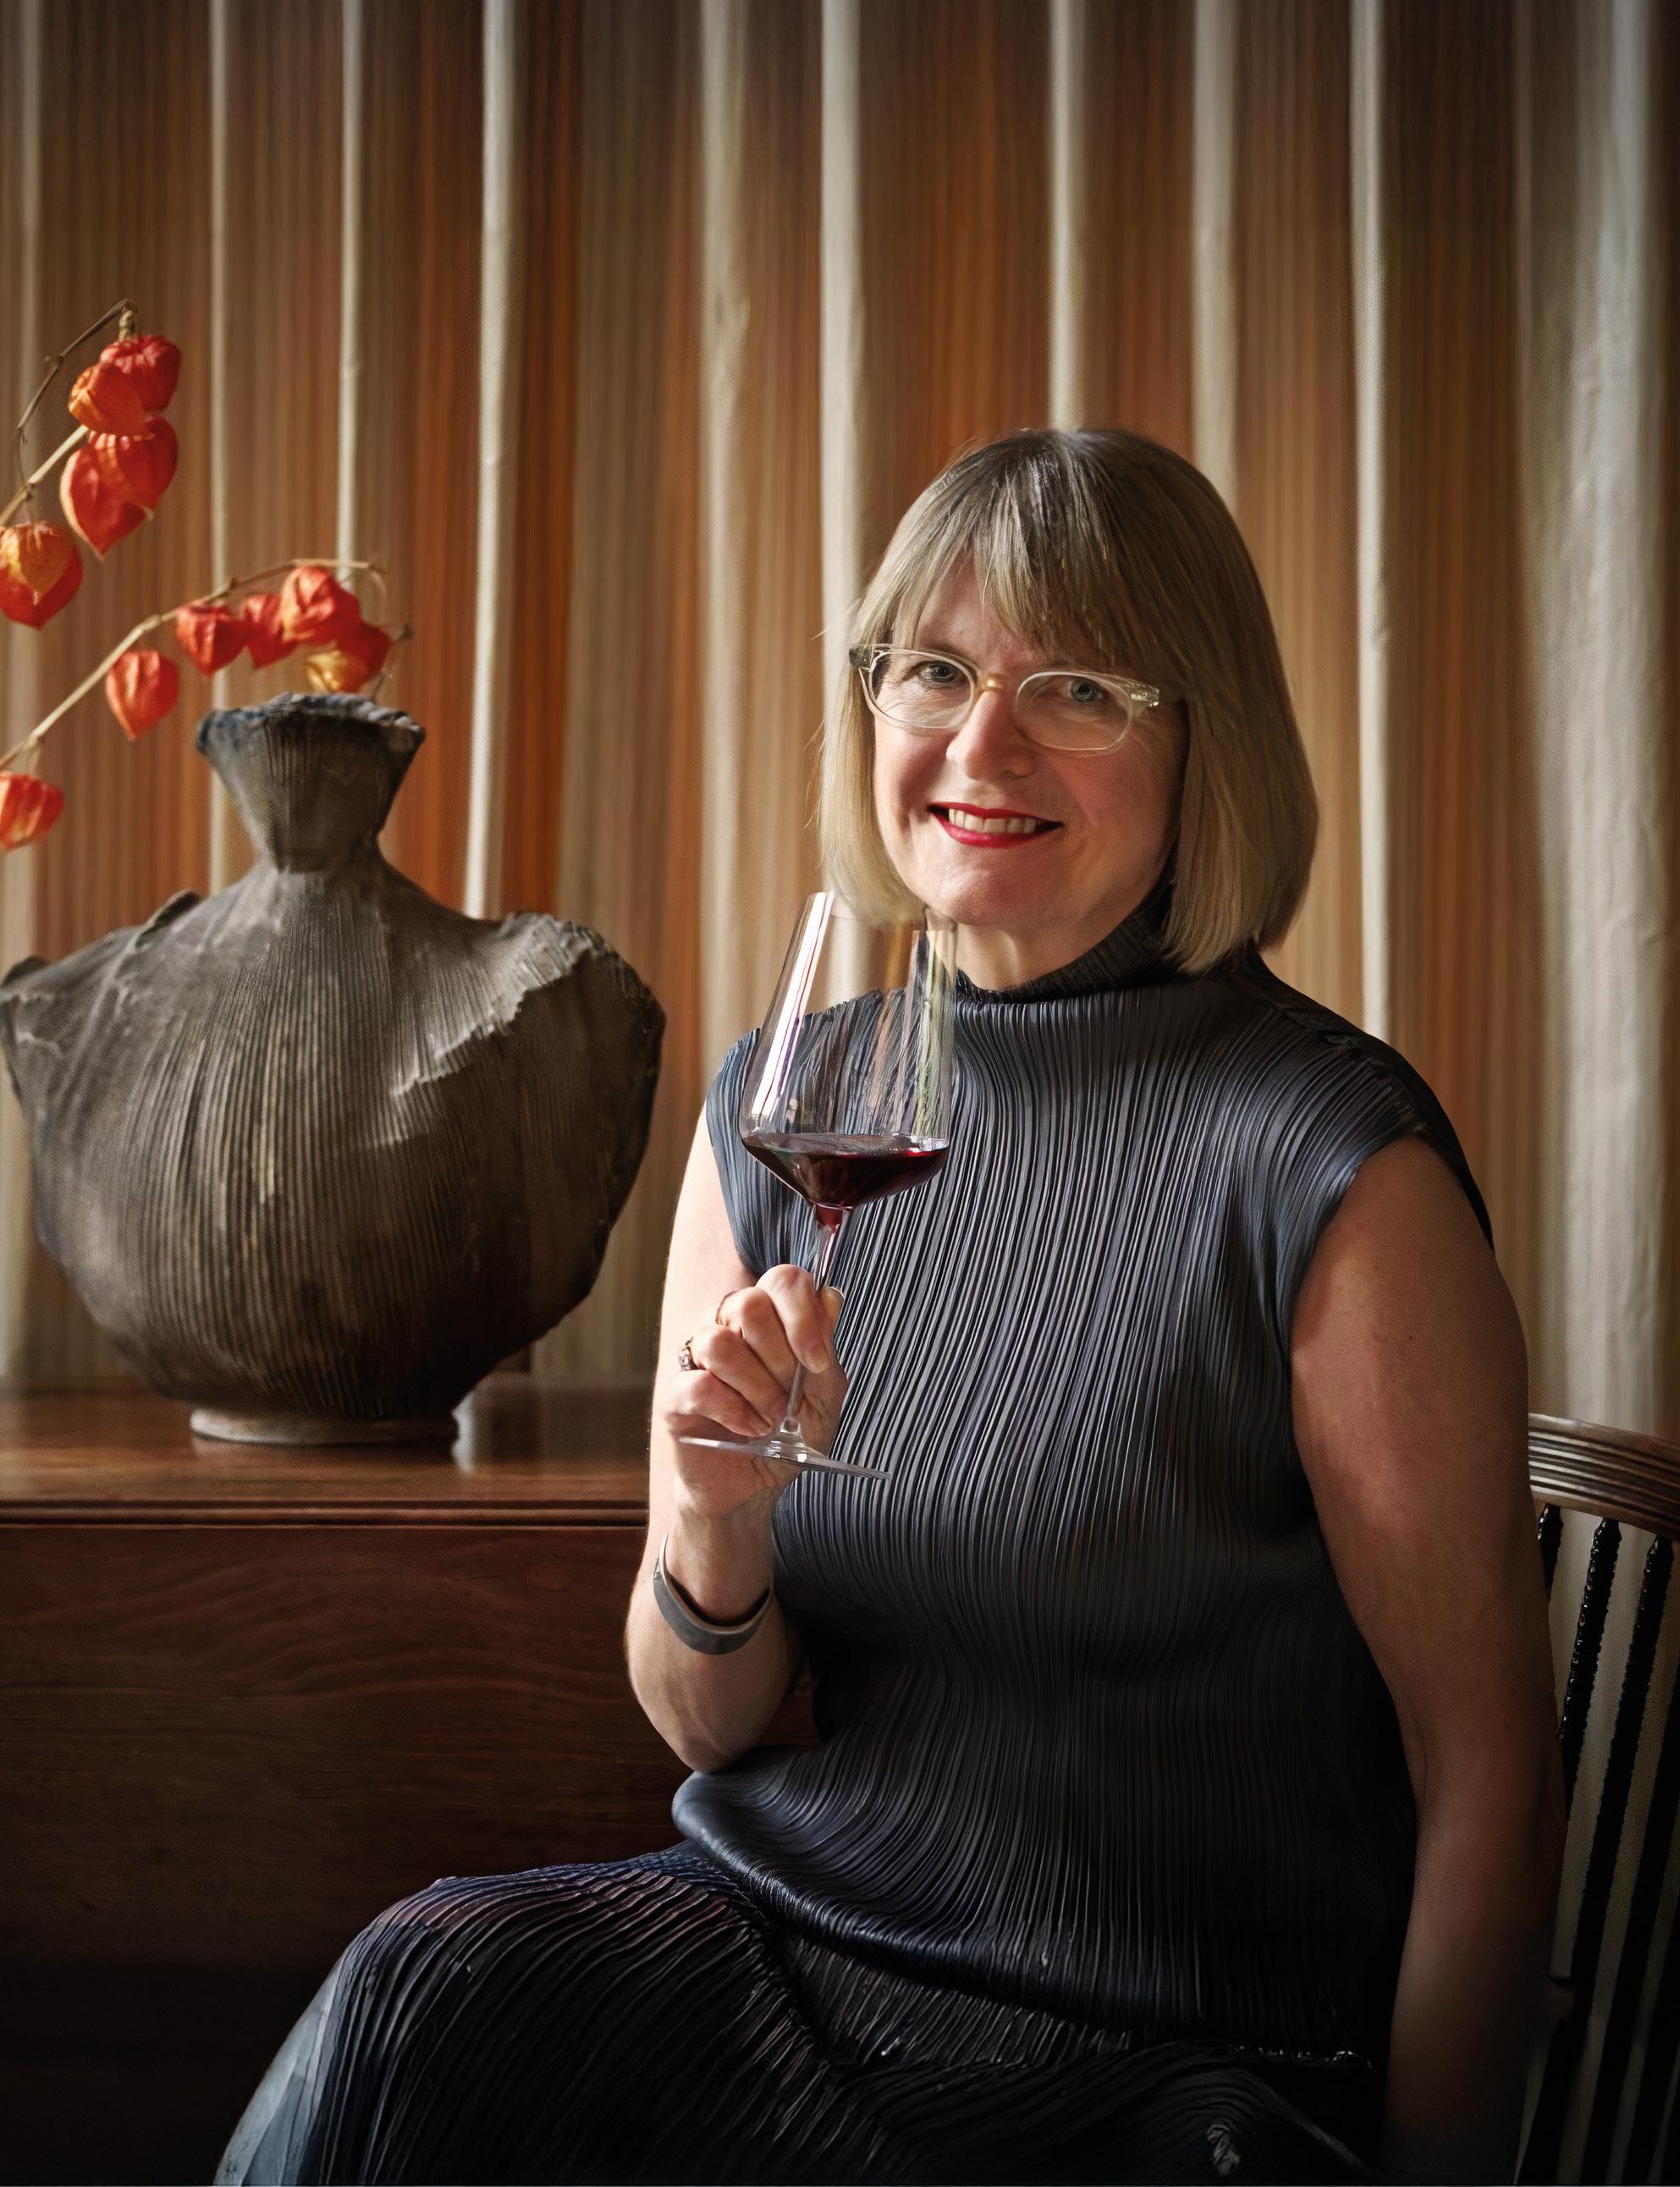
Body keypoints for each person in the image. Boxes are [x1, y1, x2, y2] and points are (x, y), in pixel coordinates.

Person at [218, 428, 1565, 2187]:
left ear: (1202, 735)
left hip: (1172, 2060)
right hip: (789, 1957)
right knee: (426, 1991)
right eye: (933, 669)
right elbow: (703, 1722)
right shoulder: (786, 1102)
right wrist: (715, 1526)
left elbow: (1488, 1774)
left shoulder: (1330, 1164)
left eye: (1075, 687)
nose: (980, 746)